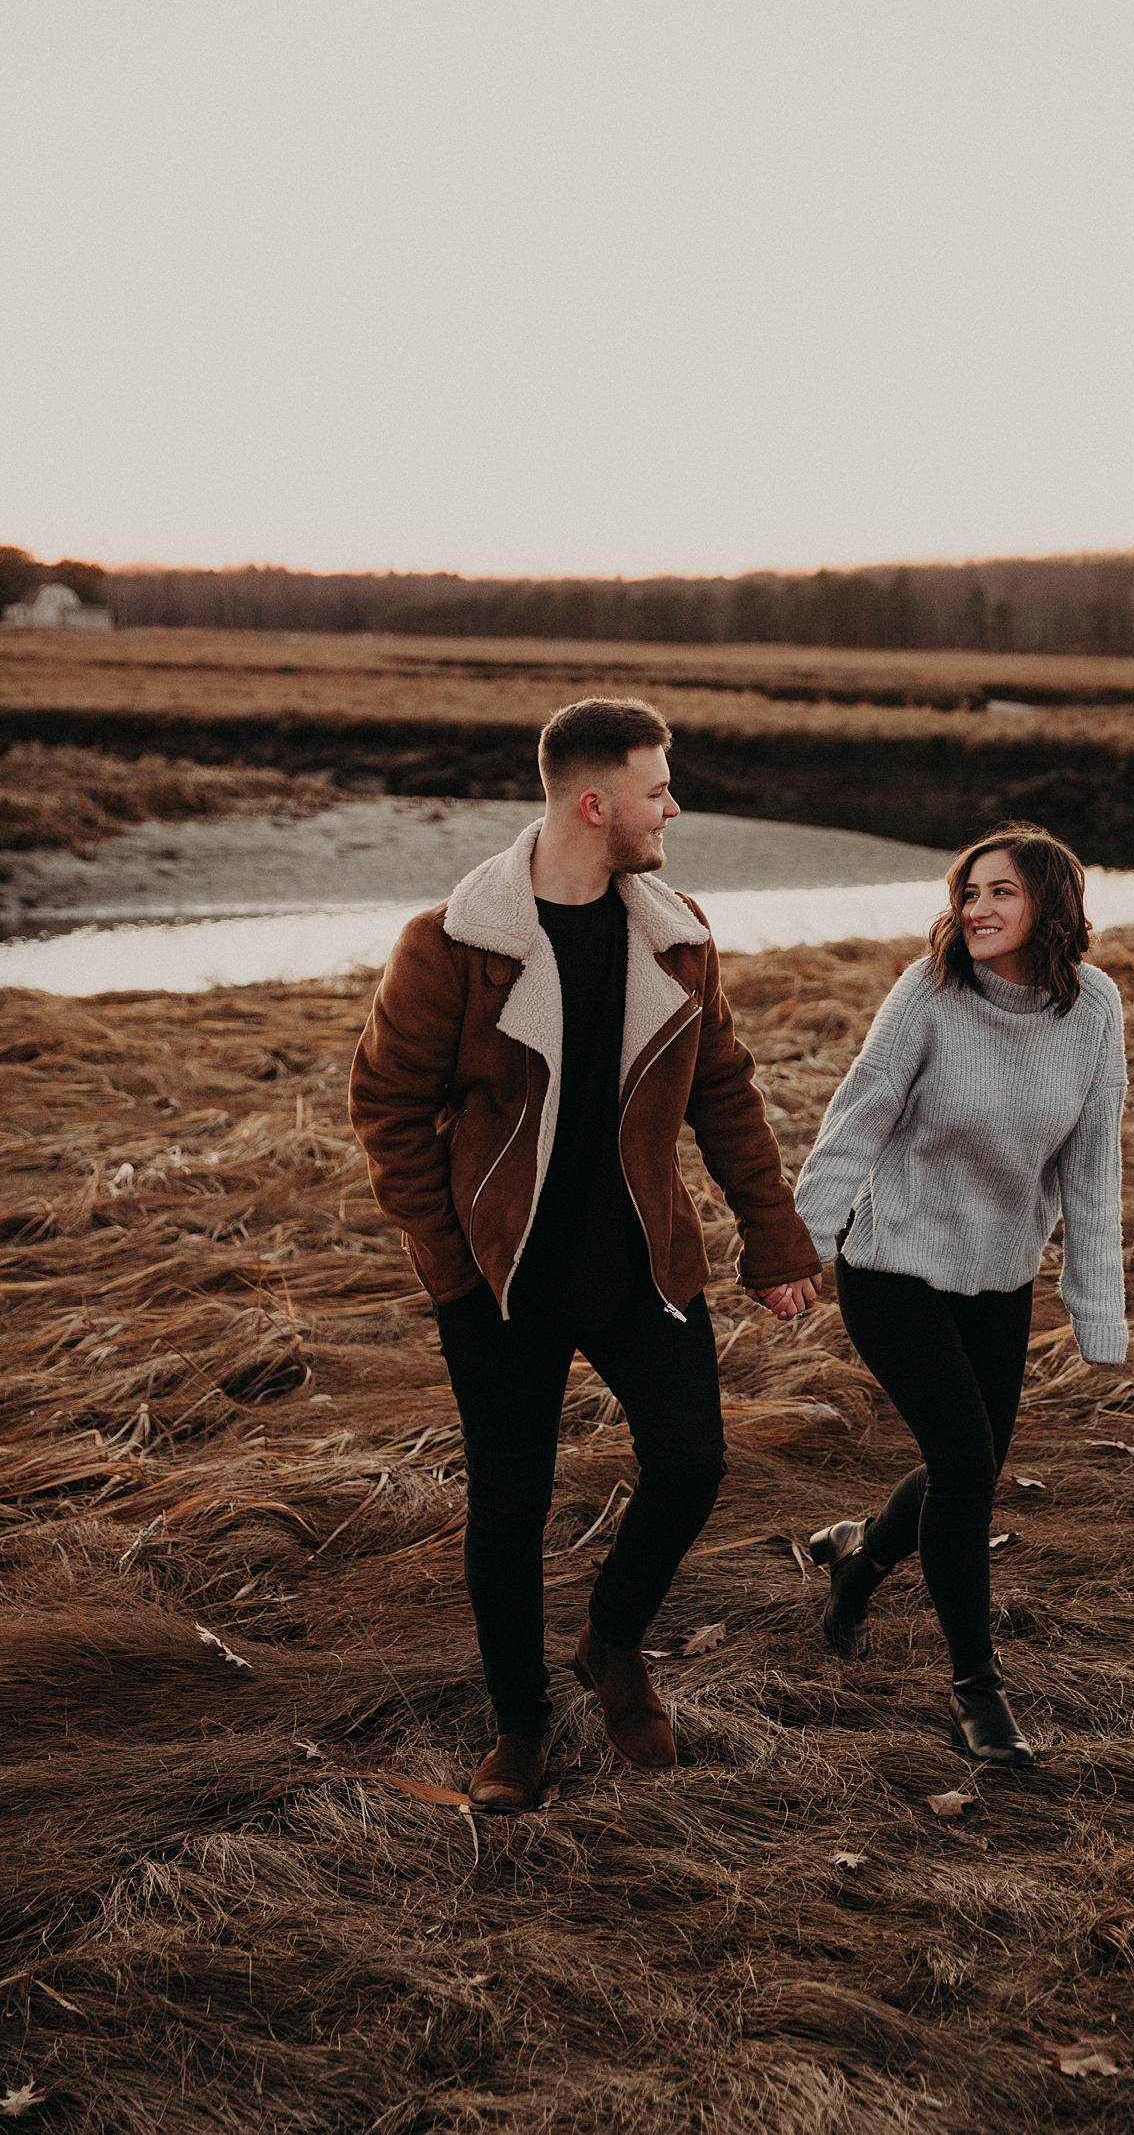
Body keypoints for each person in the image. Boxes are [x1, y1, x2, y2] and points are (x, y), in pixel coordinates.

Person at [349, 697, 821, 1812]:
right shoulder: (454, 944)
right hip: (501, 1278)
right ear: (596, 803)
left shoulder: (676, 932)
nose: (676, 806)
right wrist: (454, 1261)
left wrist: (773, 1234)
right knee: (508, 1508)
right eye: (660, 789)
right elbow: (386, 1105)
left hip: (642, 1265)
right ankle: (518, 1731)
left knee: (695, 1461)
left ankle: (612, 1644)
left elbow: (724, 1088)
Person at [793, 823, 1127, 1767]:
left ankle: (856, 1566)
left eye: (1001, 893)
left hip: (999, 1274)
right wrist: (804, 1245)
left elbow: (1093, 1165)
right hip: (892, 1262)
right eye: (968, 891)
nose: (975, 909)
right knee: (968, 1467)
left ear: (1049, 909)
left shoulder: (1094, 1008)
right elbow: (857, 1114)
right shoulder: (930, 990)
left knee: (961, 1469)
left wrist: (1096, 1306)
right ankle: (977, 1692)